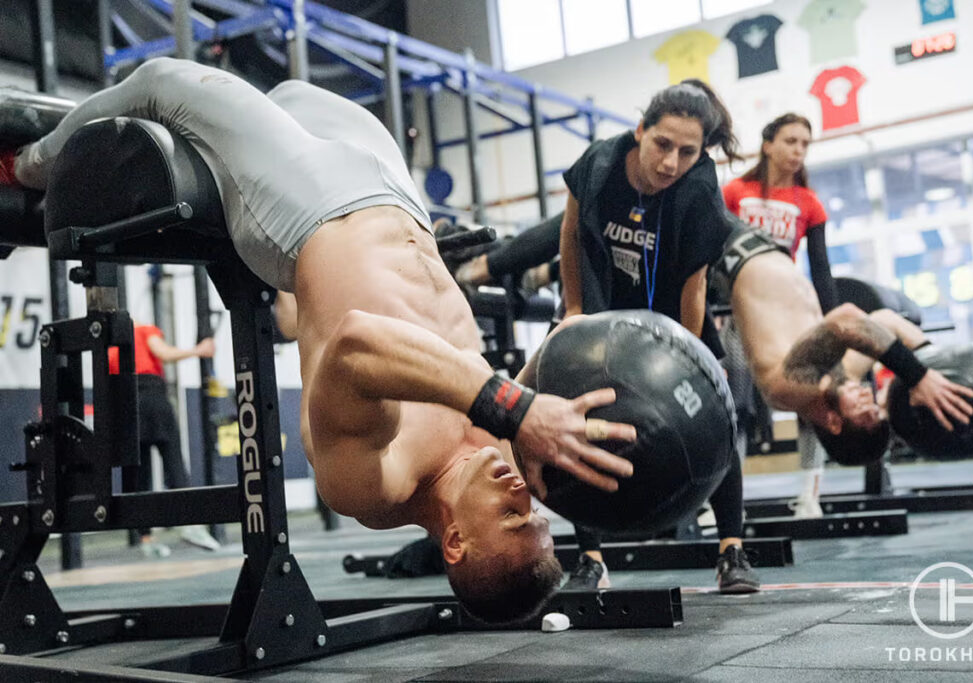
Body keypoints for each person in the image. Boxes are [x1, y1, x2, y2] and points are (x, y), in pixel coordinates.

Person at [2, 58, 638, 624]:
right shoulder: (499, 449)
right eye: (539, 515)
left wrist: (516, 406)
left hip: (307, 210)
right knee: (299, 92)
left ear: (454, 544)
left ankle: (20, 170)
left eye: (512, 517)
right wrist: (572, 338)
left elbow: (358, 344)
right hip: (401, 203)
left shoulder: (377, 482)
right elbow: (546, 362)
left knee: (163, 83)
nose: (524, 494)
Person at [556, 80, 760, 594]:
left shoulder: (699, 191)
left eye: (687, 152)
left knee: (715, 419)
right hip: (606, 308)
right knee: (578, 419)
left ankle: (732, 551)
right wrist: (575, 309)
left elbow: (694, 286)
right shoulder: (600, 165)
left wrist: (686, 359)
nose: (671, 162)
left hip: (675, 316)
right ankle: (591, 558)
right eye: (662, 145)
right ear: (640, 131)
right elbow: (571, 233)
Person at [713, 218, 973, 463]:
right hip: (758, 242)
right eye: (875, 404)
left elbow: (845, 320)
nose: (867, 394)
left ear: (834, 423)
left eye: (864, 410)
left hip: (724, 248)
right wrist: (931, 361)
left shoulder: (787, 389)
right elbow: (887, 320)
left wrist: (918, 376)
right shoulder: (842, 375)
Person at [722, 112, 836, 518]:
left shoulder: (810, 203)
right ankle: (725, 504)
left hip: (790, 314)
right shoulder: (735, 192)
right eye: (790, 141)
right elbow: (712, 254)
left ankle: (810, 496)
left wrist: (832, 324)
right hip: (740, 310)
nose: (798, 151)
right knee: (730, 407)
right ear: (768, 143)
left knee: (812, 399)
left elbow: (821, 270)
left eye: (805, 144)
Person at [107, 322, 220, 556]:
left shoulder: (108, 345)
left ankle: (145, 538)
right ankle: (191, 526)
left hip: (125, 403)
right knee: (173, 460)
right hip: (151, 396)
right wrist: (198, 350)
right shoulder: (142, 329)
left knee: (138, 473)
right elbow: (163, 353)